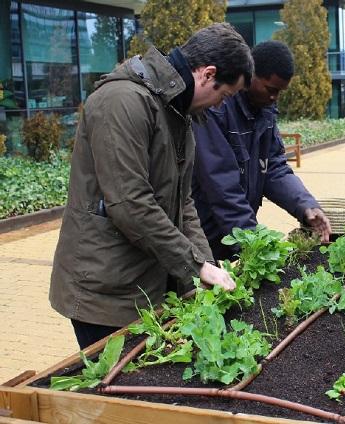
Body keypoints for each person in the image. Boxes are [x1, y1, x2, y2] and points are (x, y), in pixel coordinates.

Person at [50, 23, 254, 350]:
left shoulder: (175, 111)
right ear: (207, 73)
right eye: (223, 95)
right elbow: (130, 203)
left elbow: (183, 204)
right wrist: (195, 265)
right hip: (105, 293)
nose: (219, 106)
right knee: (113, 392)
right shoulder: (122, 101)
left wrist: (206, 265)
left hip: (145, 283)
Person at [192, 40, 331, 261]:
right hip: (203, 234)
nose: (275, 97)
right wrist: (256, 247)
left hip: (235, 230)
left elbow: (274, 167)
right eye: (271, 89)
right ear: (251, 75)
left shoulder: (264, 111)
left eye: (280, 92)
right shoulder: (217, 107)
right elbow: (221, 185)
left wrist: (305, 205)